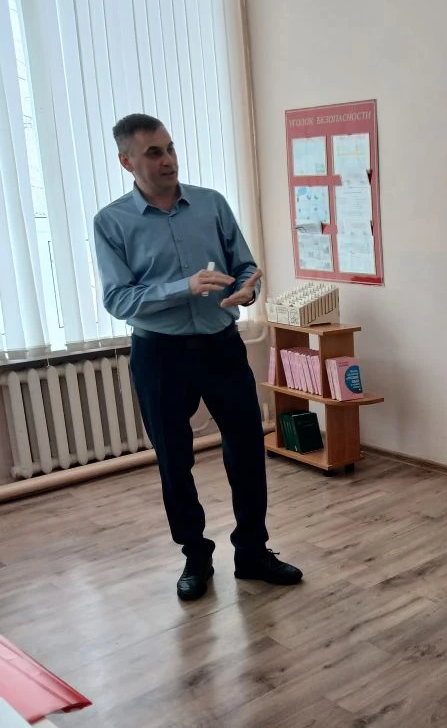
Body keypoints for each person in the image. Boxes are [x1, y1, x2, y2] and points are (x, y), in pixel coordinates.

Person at [92, 113, 302, 600]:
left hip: (221, 345)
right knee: (174, 460)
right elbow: (118, 299)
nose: (168, 160)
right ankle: (195, 556)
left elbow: (246, 267)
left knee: (247, 450)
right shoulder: (111, 222)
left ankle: (252, 552)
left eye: (170, 148)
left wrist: (248, 291)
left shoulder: (211, 204)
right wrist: (183, 288)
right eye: (154, 153)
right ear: (126, 161)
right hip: (159, 354)